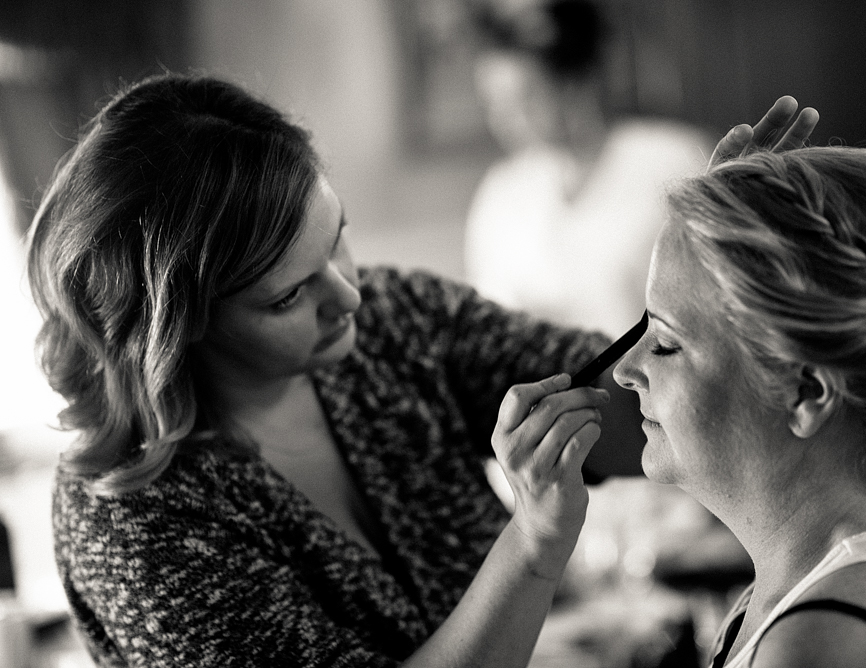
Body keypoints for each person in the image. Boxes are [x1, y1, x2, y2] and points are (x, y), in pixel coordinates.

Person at [26, 71, 814, 666]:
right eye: (289, 295)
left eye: (338, 238)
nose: (349, 296)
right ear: (174, 332)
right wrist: (532, 548)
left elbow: (614, 416)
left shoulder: (394, 323)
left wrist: (708, 282)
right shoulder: (133, 519)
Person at [614, 145, 866, 667]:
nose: (626, 370)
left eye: (665, 342)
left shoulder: (821, 641)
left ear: (807, 393)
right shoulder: (837, 569)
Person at [466, 0, 715, 336]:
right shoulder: (501, 191)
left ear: (573, 83)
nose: (502, 119)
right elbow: (489, 314)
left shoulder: (673, 159)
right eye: (493, 103)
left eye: (523, 98)